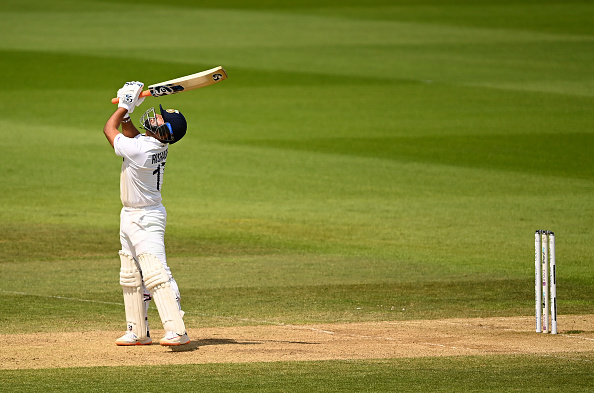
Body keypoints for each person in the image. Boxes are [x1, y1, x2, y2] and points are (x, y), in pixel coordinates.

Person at [103, 81, 190, 346]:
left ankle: (178, 330)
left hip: (146, 218)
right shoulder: (149, 144)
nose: (153, 117)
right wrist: (126, 112)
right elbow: (129, 134)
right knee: (130, 274)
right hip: (129, 215)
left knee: (157, 274)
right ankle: (138, 331)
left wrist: (125, 106)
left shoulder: (142, 151)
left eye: (159, 119)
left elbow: (109, 130)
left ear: (164, 132)